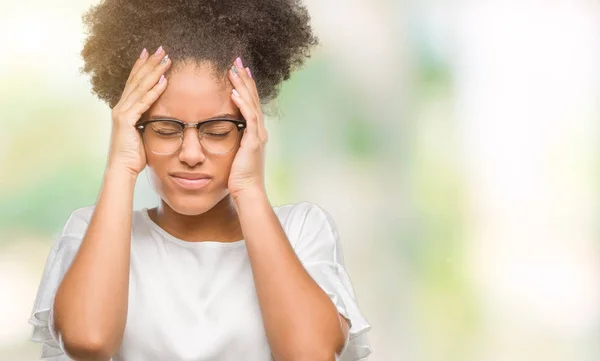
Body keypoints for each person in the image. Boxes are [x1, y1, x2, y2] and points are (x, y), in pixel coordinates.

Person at [27, 0, 372, 360]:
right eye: (164, 130)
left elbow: (311, 353)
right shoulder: (92, 233)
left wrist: (250, 188)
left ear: (249, 131)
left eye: (219, 131)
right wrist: (121, 167)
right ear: (136, 131)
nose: (191, 154)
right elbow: (89, 341)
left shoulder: (301, 230)